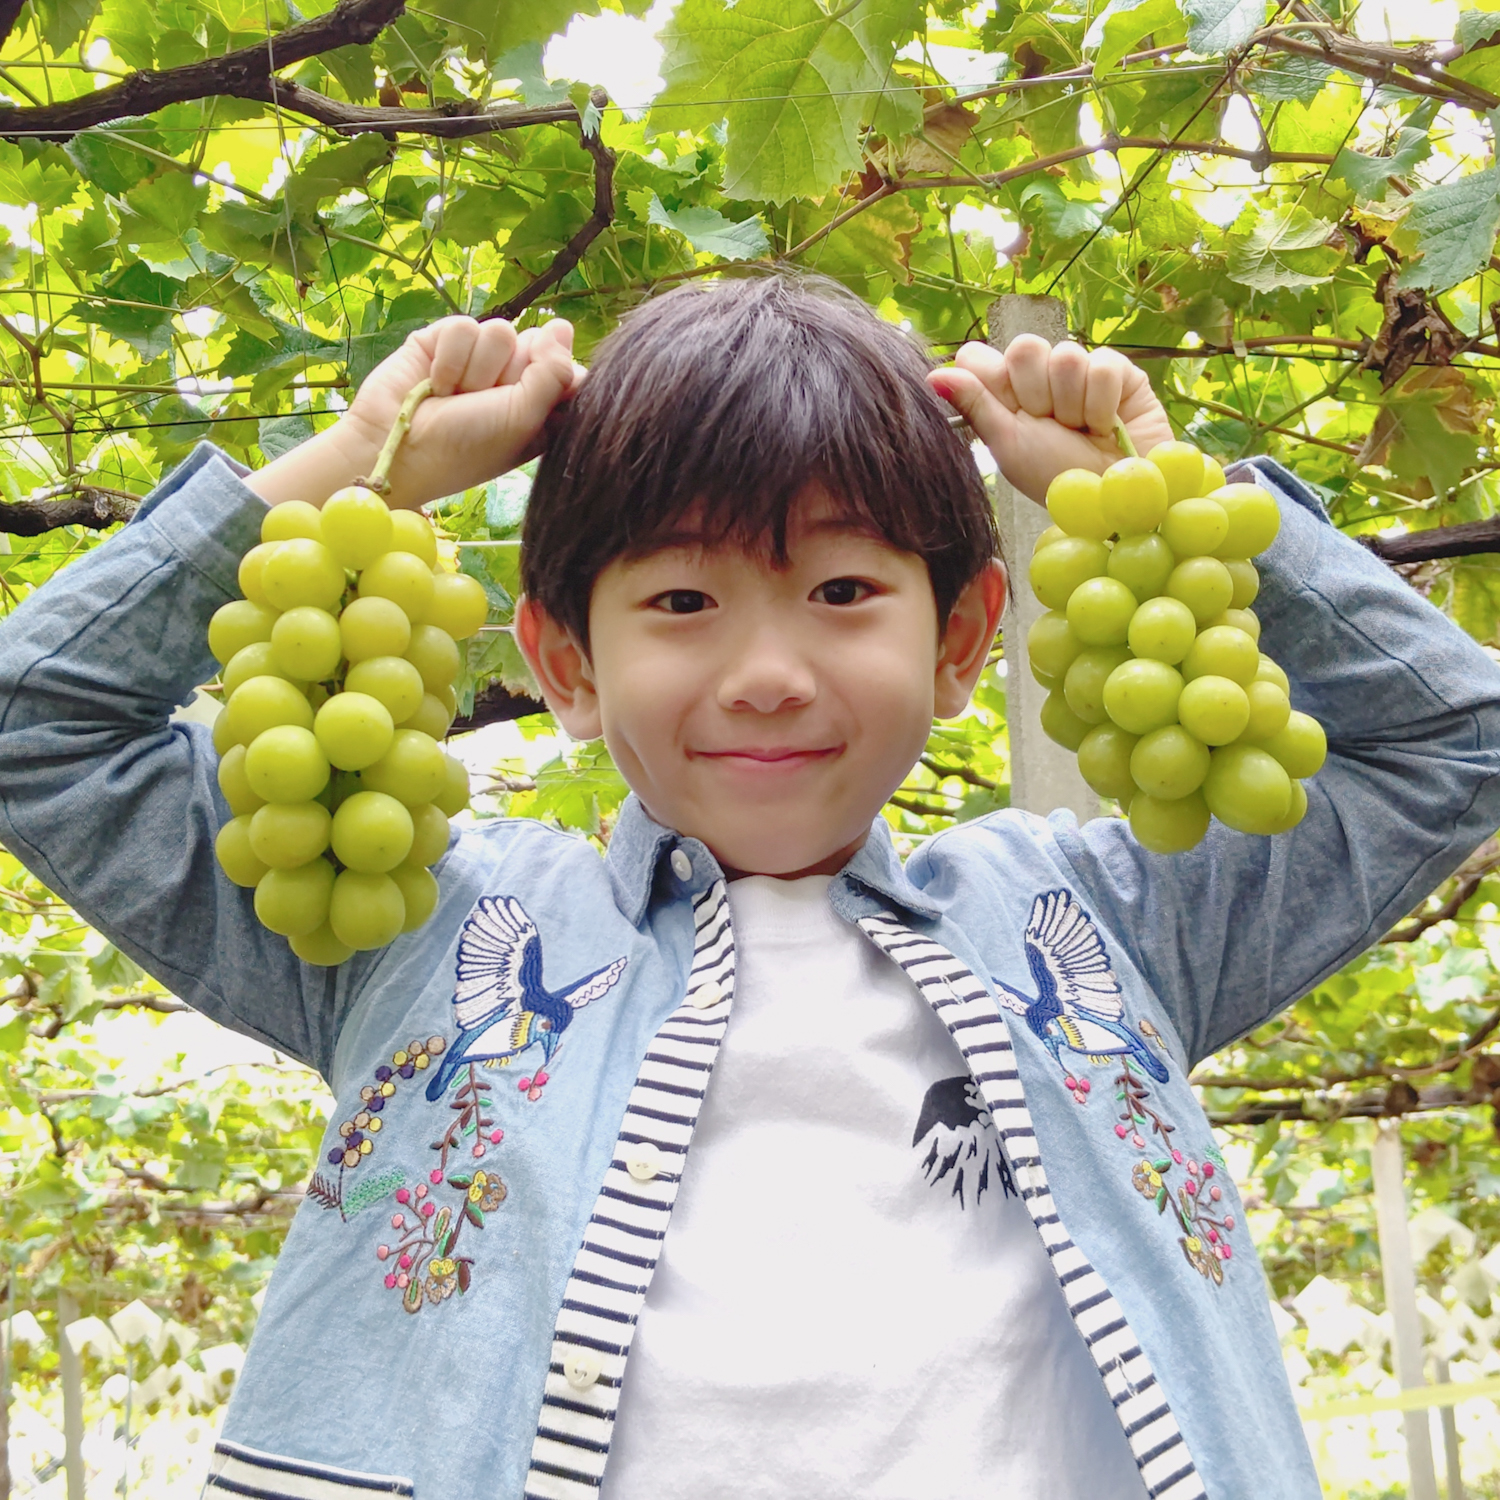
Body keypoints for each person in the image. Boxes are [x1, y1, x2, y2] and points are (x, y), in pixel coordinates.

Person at [0, 274, 1497, 1500]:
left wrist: (1168, 498)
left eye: (845, 592)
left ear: (966, 639)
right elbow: (35, 721)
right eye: (680, 602)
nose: (769, 675)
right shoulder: (419, 927)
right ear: (564, 665)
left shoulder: (1106, 925)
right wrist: (358, 461)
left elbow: (1456, 738)